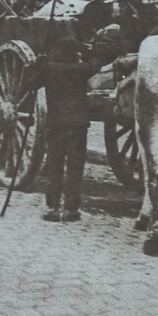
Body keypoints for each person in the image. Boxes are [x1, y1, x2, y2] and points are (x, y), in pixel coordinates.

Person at [23, 37, 100, 222]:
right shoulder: (82, 69)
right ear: (75, 54)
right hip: (78, 126)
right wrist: (91, 52)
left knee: (55, 166)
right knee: (75, 167)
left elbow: (30, 84)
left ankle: (53, 208)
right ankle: (71, 210)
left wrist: (35, 64)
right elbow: (95, 65)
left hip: (57, 125)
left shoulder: (49, 69)